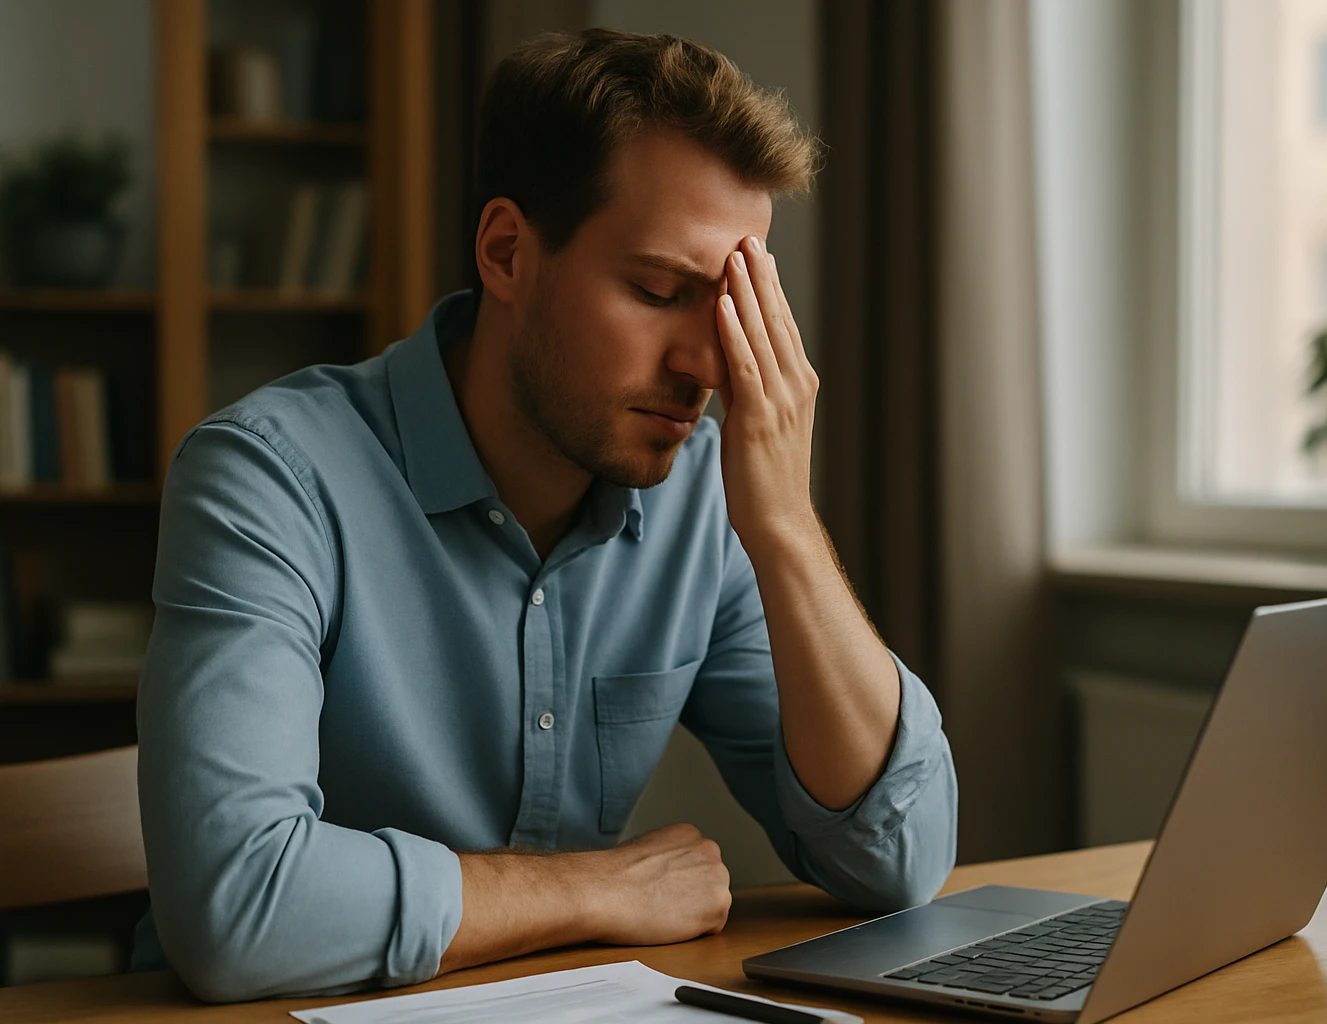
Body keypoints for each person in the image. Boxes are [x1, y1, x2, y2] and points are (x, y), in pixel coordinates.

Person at [133, 28, 958, 1003]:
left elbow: (898, 856)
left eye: (731, 304)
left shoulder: (701, 494)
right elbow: (239, 909)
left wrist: (784, 527)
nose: (705, 364)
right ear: (506, 252)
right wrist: (594, 887)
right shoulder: (267, 480)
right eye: (659, 291)